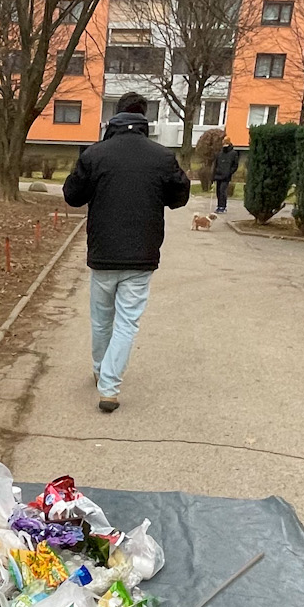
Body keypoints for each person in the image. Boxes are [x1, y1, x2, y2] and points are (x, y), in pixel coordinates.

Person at [61, 93, 191, 413]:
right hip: (141, 254)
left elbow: (72, 196)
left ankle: (98, 369)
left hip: (103, 252)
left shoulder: (95, 155)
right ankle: (109, 387)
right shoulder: (162, 156)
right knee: (127, 323)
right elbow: (179, 197)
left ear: (116, 116)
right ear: (145, 119)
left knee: (101, 318)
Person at [211, 139, 241, 215]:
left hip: (226, 176)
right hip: (218, 175)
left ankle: (223, 207)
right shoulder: (220, 153)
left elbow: (235, 165)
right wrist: (213, 175)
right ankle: (219, 205)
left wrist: (229, 172)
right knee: (218, 191)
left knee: (222, 191)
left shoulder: (233, 153)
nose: (224, 145)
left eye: (225, 143)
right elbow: (215, 164)